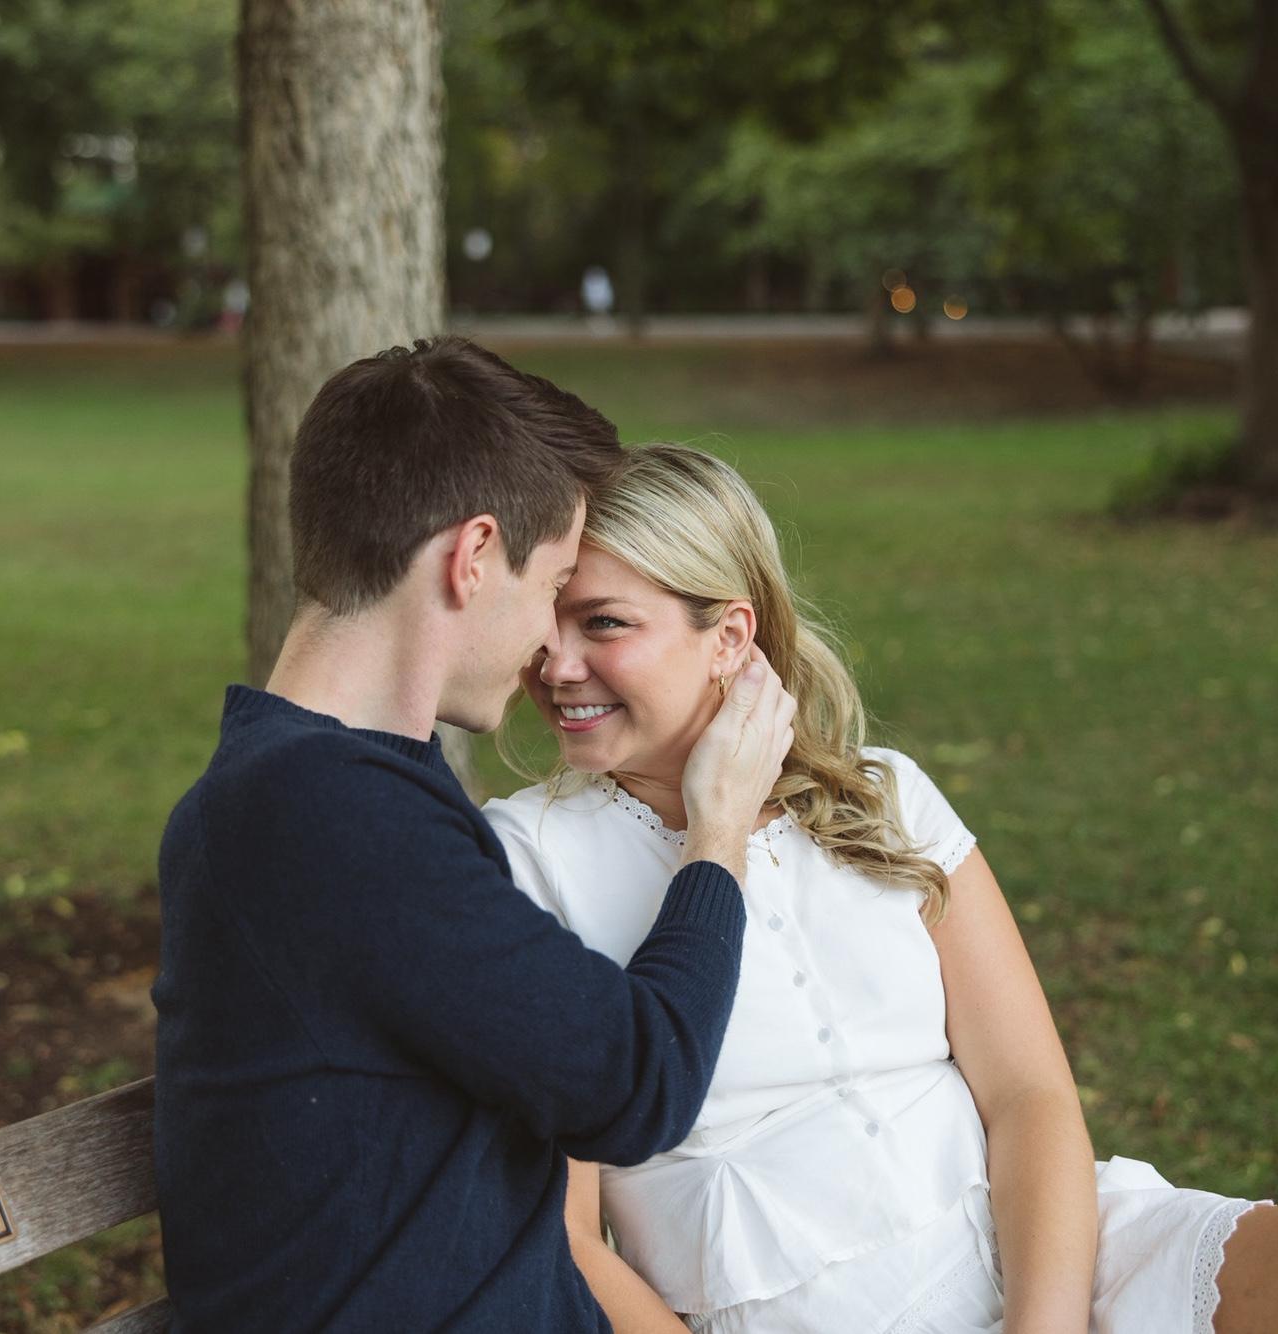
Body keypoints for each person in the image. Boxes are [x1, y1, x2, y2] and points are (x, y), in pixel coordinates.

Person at [482, 442, 1278, 1334]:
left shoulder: (884, 793)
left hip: (1046, 1256)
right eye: (548, 622)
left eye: (603, 623)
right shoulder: (524, 862)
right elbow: (567, 1240)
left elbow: (1029, 1093)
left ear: (728, 636)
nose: (556, 664)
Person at [151, 340, 796, 1333]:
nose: (549, 642)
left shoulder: (327, 789)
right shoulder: (325, 817)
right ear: (472, 555)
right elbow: (638, 1082)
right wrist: (716, 831)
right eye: (548, 588)